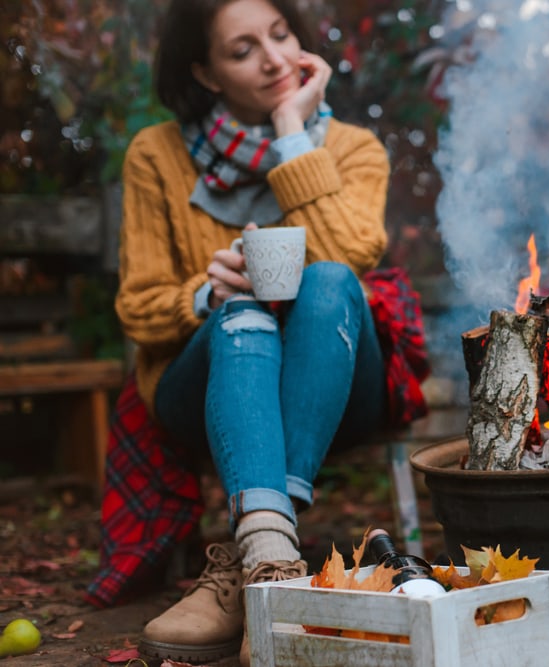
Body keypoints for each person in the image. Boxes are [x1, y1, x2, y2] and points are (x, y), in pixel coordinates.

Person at [115, 0, 390, 663]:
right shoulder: (157, 156)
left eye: (280, 34)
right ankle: (273, 561)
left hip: (336, 380)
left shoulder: (353, 147)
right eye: (242, 50)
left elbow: (351, 256)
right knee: (240, 310)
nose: (273, 58)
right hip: (207, 386)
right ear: (206, 74)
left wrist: (292, 128)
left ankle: (255, 563)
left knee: (327, 282)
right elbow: (138, 305)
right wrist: (206, 292)